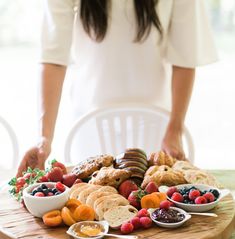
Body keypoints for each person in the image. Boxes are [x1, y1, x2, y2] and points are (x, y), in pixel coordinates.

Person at [17, 0, 217, 176]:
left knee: (151, 207)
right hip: (88, 124)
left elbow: (185, 57)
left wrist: (175, 129)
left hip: (156, 129)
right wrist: (44, 137)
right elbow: (53, 57)